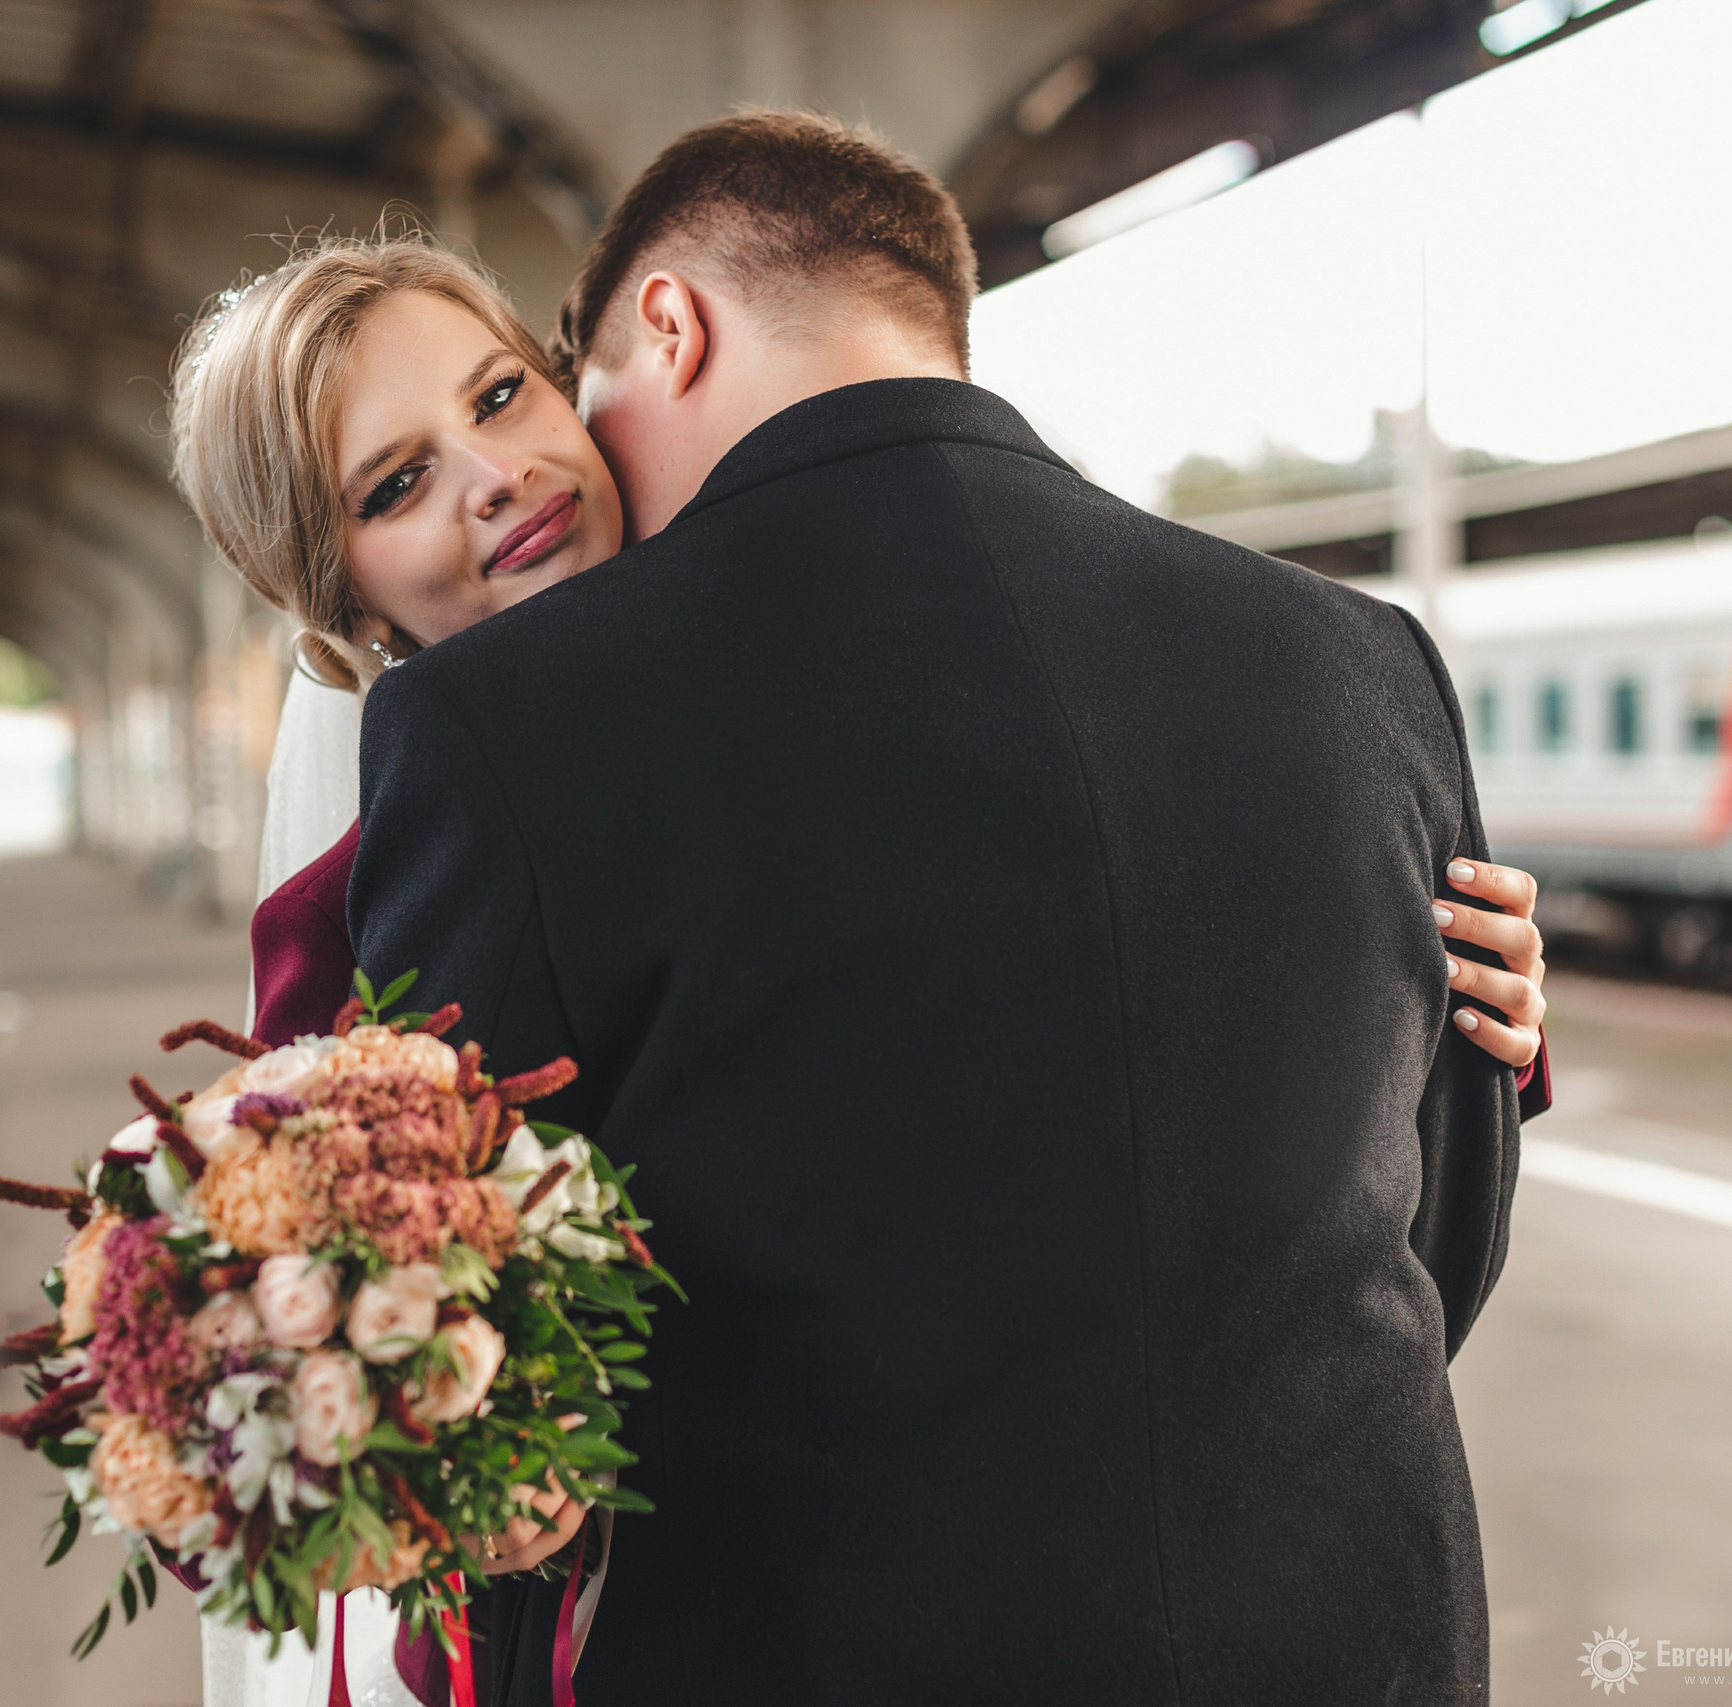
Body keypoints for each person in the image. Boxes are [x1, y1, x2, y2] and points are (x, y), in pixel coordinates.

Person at [171, 119, 1548, 1705]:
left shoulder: (504, 745)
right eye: (399, 482)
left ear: (659, 336)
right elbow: (1438, 1237)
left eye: (511, 393)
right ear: (339, 605)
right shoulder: (1362, 659)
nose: (509, 479)